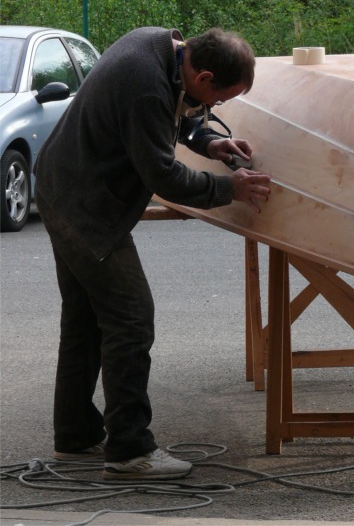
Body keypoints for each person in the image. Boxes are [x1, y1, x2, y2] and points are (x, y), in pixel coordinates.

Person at [34, 26, 272, 479]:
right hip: (86, 207)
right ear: (202, 76)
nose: (214, 109)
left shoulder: (157, 44)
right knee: (131, 318)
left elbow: (171, 113)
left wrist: (208, 141)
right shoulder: (145, 86)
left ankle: (76, 435)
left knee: (84, 320)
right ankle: (129, 451)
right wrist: (230, 187)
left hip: (60, 184)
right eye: (217, 101)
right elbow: (162, 176)